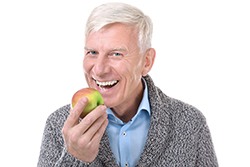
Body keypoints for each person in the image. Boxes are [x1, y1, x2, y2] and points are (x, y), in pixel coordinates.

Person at [38, 2, 218, 167]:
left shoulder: (190, 123)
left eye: (116, 54)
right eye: (92, 52)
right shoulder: (58, 125)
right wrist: (76, 157)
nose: (99, 70)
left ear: (146, 61)